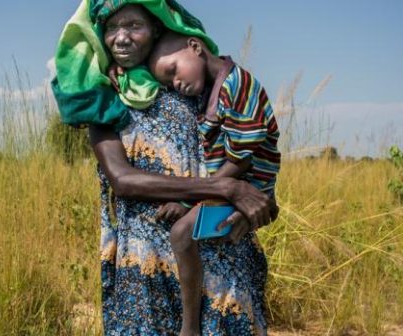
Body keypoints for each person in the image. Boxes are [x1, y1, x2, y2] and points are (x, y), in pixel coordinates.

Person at [52, 1, 276, 334]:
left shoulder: (194, 88)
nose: (122, 38)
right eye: (112, 28)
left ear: (157, 29)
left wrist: (256, 206)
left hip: (219, 267)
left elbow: (255, 179)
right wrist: (224, 188)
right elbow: (123, 180)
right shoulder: (103, 105)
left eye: (134, 26)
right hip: (143, 270)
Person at [148, 31, 280, 335]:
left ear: (195, 46)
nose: (175, 84)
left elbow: (241, 160)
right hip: (227, 187)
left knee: (182, 234)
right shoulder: (208, 92)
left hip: (247, 187)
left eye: (173, 72)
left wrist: (186, 200)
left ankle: (189, 327)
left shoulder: (239, 85)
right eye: (168, 84)